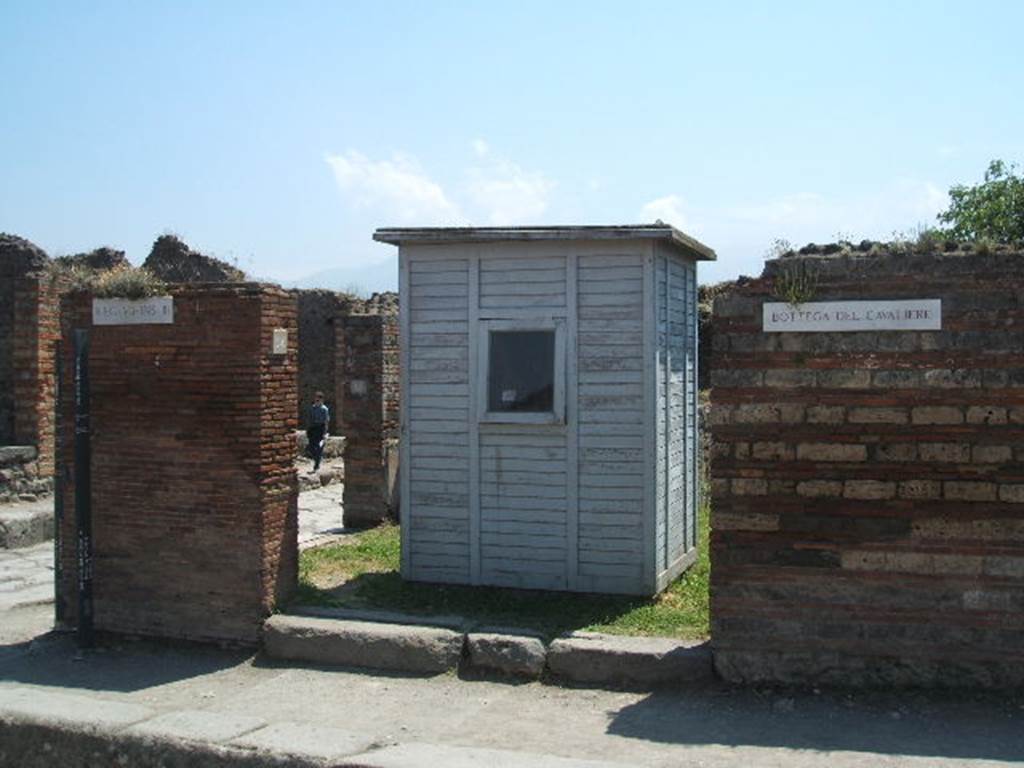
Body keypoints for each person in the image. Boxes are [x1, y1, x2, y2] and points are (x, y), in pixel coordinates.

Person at [306, 391, 329, 473]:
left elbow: (326, 421)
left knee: (319, 447)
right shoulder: (312, 408)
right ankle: (316, 459)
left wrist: (325, 432)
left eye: (318, 400)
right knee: (311, 447)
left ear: (322, 400)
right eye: (316, 399)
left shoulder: (324, 409)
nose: (317, 401)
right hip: (313, 429)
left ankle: (317, 464)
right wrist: (308, 429)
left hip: (320, 429)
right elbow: (309, 419)